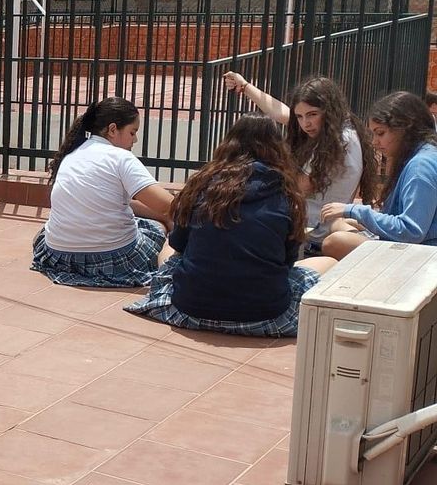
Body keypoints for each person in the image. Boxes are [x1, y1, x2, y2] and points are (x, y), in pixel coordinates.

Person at [126, 117, 336, 338]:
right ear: (277, 148)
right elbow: (288, 261)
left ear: (228, 144)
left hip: (192, 306)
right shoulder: (287, 192)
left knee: (170, 247)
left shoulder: (201, 184)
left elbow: (179, 243)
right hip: (265, 312)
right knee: (329, 262)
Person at [32, 97, 175, 287]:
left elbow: (109, 201)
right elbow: (168, 205)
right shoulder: (121, 158)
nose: (135, 140)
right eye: (132, 132)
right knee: (158, 229)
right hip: (112, 259)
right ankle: (168, 272)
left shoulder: (74, 153)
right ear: (113, 129)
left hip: (60, 254)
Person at [223, 72, 374, 251]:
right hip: (316, 225)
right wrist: (246, 86)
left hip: (316, 233)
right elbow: (282, 114)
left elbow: (298, 186)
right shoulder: (341, 128)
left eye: (312, 115)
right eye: (300, 117)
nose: (305, 124)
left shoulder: (338, 142)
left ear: (329, 110)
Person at [321, 91, 437, 259]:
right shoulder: (418, 155)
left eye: (380, 133)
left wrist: (356, 211)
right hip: (415, 246)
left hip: (422, 255)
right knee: (339, 224)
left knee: (334, 242)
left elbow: (412, 231)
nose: (375, 142)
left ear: (405, 129)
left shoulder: (421, 166)